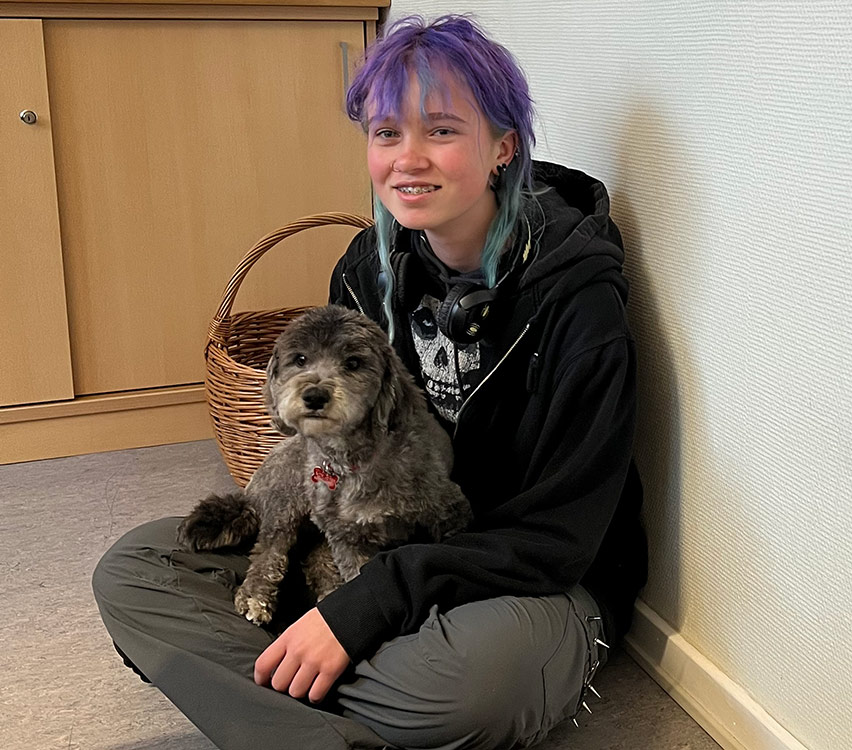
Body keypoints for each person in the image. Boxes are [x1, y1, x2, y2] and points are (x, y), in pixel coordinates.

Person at [93, 14, 646, 750]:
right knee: (135, 570)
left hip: (526, 578)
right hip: (375, 544)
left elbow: (558, 538)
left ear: (503, 147)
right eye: (386, 133)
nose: (407, 159)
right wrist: (345, 587)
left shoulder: (580, 302)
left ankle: (283, 686)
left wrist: (371, 604)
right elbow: (330, 460)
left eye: (441, 131)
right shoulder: (363, 271)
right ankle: (333, 702)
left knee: (466, 687)